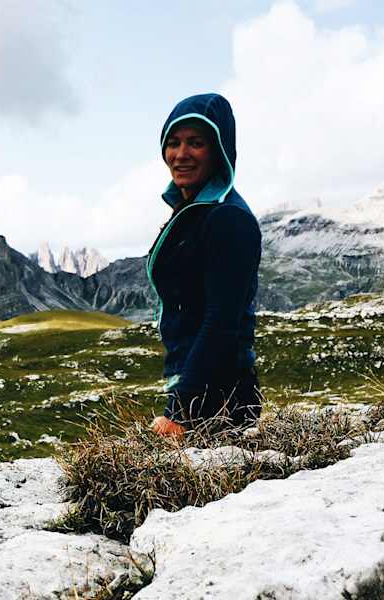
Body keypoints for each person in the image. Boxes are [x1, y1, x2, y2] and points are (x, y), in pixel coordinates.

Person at [145, 92, 262, 437]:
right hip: (200, 390)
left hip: (221, 398)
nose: (181, 154)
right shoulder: (193, 212)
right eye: (174, 142)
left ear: (219, 149)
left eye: (196, 143)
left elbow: (221, 320)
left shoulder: (228, 219)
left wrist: (180, 411)